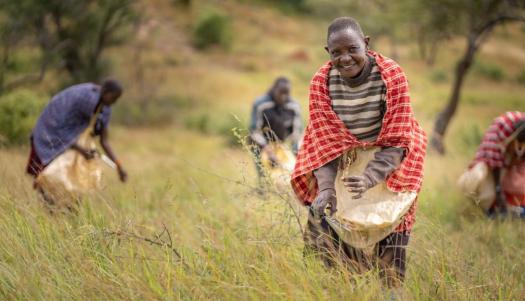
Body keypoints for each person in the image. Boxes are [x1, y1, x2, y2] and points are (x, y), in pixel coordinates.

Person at [290, 17, 427, 287]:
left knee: (391, 228)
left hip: (391, 157)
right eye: (337, 52)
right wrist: (327, 188)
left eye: (352, 49)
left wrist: (369, 177)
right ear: (327, 52)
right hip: (343, 158)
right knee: (326, 223)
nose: (346, 58)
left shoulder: (391, 75)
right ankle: (342, 287)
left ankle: (390, 291)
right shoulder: (321, 81)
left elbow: (398, 138)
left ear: (366, 44)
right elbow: (323, 140)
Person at [26, 79, 128, 200]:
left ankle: (68, 213)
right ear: (106, 92)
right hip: (49, 131)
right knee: (47, 179)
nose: (114, 102)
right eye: (113, 97)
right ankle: (50, 211)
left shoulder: (105, 108)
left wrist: (118, 167)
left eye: (117, 99)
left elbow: (104, 141)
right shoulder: (85, 99)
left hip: (71, 142)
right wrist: (82, 150)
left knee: (74, 183)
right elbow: (63, 129)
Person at [469, 111, 525, 217]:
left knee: (518, 188)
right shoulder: (501, 128)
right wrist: (498, 191)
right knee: (489, 193)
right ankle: (491, 210)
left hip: (512, 162)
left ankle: (513, 210)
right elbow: (495, 162)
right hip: (491, 164)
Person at [249, 77, 302, 180]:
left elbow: (296, 132)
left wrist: (296, 153)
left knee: (286, 172)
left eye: (286, 93)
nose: (283, 97)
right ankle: (263, 191)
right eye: (280, 93)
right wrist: (268, 151)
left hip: (280, 144)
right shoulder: (261, 104)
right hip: (260, 143)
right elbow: (254, 131)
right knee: (264, 175)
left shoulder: (293, 106)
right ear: (274, 90)